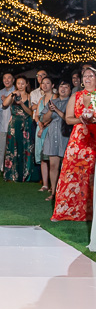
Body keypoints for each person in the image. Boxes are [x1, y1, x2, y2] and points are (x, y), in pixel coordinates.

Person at [52, 66, 96, 222]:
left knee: (90, 177)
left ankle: (89, 213)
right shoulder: (75, 96)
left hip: (93, 141)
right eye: (85, 76)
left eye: (91, 75)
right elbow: (68, 119)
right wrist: (81, 120)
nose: (88, 78)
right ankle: (64, 212)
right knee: (71, 175)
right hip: (77, 141)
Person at [2, 75, 40, 182]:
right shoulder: (13, 95)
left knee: (26, 148)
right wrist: (12, 94)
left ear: (27, 84)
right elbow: (4, 104)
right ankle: (11, 174)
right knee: (12, 148)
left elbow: (30, 112)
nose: (20, 86)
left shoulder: (29, 96)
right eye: (18, 83)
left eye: (23, 83)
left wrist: (21, 103)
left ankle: (25, 175)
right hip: (14, 124)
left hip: (26, 124)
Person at [39, 79, 71, 201]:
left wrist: (56, 110)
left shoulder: (71, 102)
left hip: (65, 135)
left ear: (70, 89)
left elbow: (67, 119)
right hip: (53, 135)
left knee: (66, 166)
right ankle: (53, 193)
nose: (63, 89)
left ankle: (66, 193)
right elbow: (44, 119)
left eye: (66, 87)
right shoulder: (53, 101)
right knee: (53, 165)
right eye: (61, 87)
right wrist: (51, 110)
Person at [0, 72, 15, 177]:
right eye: (4, 78)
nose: (6, 80)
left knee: (13, 151)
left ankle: (11, 172)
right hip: (0, 126)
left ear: (13, 80)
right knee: (0, 150)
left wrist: (9, 100)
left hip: (13, 126)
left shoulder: (17, 92)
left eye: (9, 78)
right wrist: (3, 103)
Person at [35, 75, 55, 192]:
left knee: (51, 158)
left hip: (51, 129)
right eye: (43, 83)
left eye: (48, 83)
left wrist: (44, 126)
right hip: (40, 128)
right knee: (43, 157)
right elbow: (37, 115)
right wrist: (39, 125)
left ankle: (53, 185)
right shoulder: (41, 99)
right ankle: (45, 184)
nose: (45, 85)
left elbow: (54, 115)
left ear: (52, 85)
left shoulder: (55, 97)